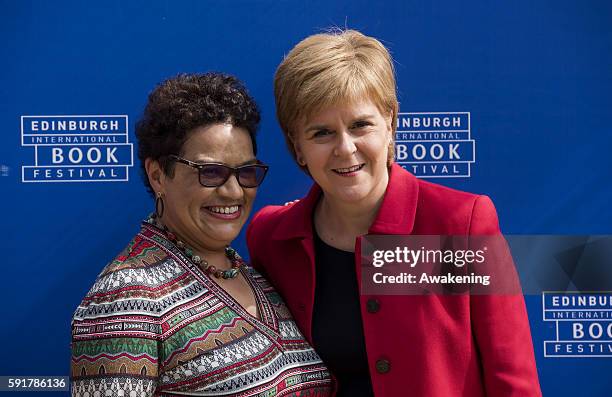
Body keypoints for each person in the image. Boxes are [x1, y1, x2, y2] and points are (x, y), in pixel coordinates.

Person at [247, 30, 542, 396]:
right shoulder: (273, 238)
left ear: (390, 122)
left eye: (360, 125)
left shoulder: (461, 222)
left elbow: (513, 379)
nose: (345, 147)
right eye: (322, 133)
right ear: (298, 146)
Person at [70, 73, 332, 397]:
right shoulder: (128, 297)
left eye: (246, 172)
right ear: (158, 176)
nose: (234, 191)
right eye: (211, 172)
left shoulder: (253, 276)